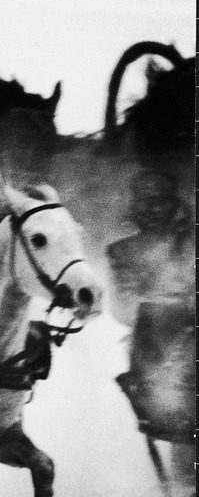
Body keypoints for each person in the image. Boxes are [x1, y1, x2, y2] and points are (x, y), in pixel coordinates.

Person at [107, 171, 194, 445]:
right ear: (134, 206)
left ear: (174, 204)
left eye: (160, 201)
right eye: (144, 201)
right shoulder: (122, 251)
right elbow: (122, 309)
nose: (152, 210)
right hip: (156, 352)